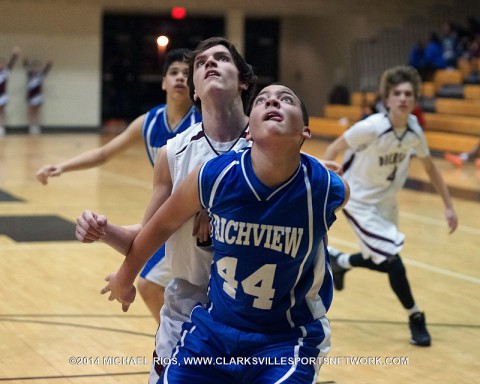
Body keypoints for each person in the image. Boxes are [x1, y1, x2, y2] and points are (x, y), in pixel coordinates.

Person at [99, 83, 350, 383]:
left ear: (305, 132)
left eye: (286, 100)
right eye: (262, 100)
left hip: (287, 340)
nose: (273, 102)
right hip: (215, 331)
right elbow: (159, 226)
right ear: (248, 132)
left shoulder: (325, 189)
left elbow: (334, 187)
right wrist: (125, 278)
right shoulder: (214, 176)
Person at [75, 37, 257, 383]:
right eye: (201, 64)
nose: (210, 65)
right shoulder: (172, 153)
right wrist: (104, 231)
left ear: (243, 80)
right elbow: (150, 233)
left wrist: (219, 213)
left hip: (254, 310)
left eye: (221, 58)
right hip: (188, 306)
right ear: (195, 92)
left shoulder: (268, 144)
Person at [37, 48, 201, 323]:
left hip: (196, 217)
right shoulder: (148, 122)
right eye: (173, 73)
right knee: (152, 284)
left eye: (186, 74)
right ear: (163, 82)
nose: (180, 78)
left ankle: (184, 346)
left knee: (153, 284)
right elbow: (104, 153)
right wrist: (62, 167)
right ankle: (181, 345)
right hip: (168, 217)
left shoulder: (203, 122)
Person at [323, 65, 458, 347]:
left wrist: (448, 205)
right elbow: (333, 149)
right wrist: (327, 189)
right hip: (358, 201)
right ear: (387, 98)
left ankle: (340, 261)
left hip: (386, 202)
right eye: (397, 93)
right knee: (393, 260)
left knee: (379, 258)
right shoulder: (371, 127)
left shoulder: (413, 131)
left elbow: (431, 168)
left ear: (415, 98)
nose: (403, 98)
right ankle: (416, 317)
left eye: (408, 93)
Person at [23, 58, 53, 134]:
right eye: (34, 67)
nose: (36, 69)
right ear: (32, 68)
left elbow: (47, 69)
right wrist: (25, 60)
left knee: (37, 112)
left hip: (38, 96)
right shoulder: (29, 74)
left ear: (40, 68)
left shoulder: (41, 75)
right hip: (31, 96)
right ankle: (31, 126)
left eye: (38, 67)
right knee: (31, 111)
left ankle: (36, 125)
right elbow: (25, 65)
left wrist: (48, 64)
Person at [0, 46, 21, 136]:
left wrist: (14, 55)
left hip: (3, 95)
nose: (1, 65)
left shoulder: (6, 71)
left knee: (2, 111)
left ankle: (1, 128)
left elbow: (11, 63)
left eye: (3, 63)